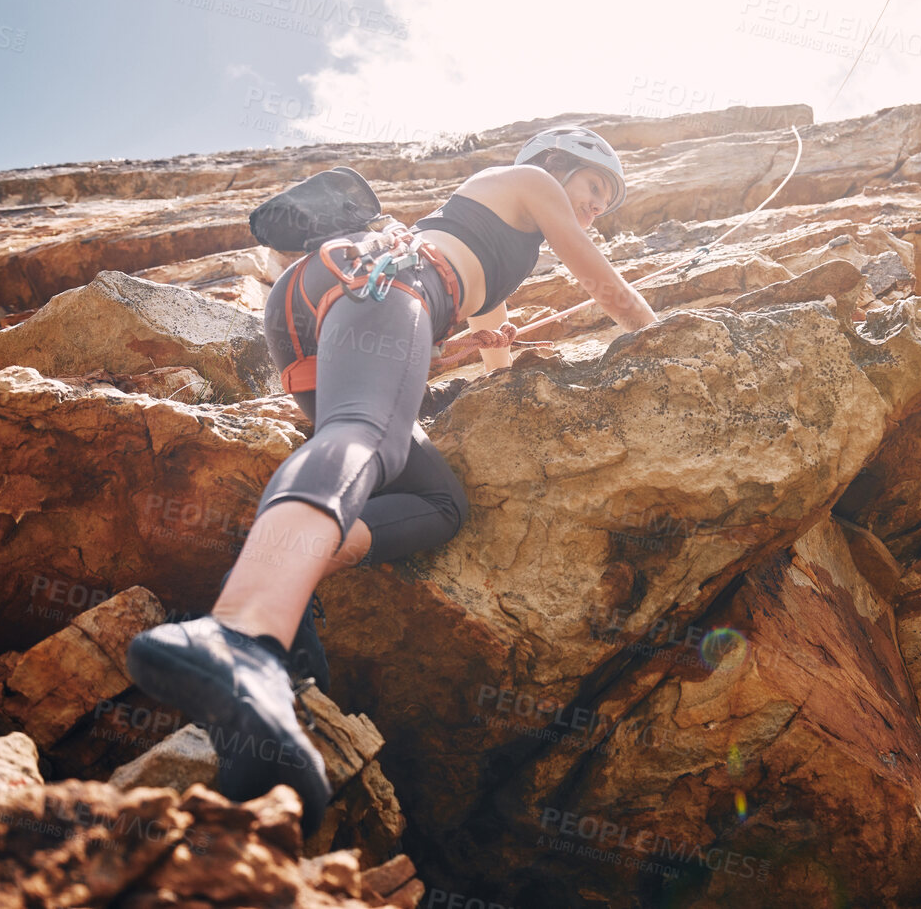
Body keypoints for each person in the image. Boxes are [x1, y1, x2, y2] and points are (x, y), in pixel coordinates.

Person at [125, 127, 657, 830]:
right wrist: (662, 329)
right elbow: (600, 279)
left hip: (330, 300)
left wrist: (477, 343)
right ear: (557, 167)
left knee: (437, 497)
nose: (594, 208)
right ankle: (240, 633)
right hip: (378, 281)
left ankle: (279, 640)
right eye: (594, 191)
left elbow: (474, 366)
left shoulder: (496, 243)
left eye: (601, 203)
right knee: (366, 433)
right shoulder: (533, 185)